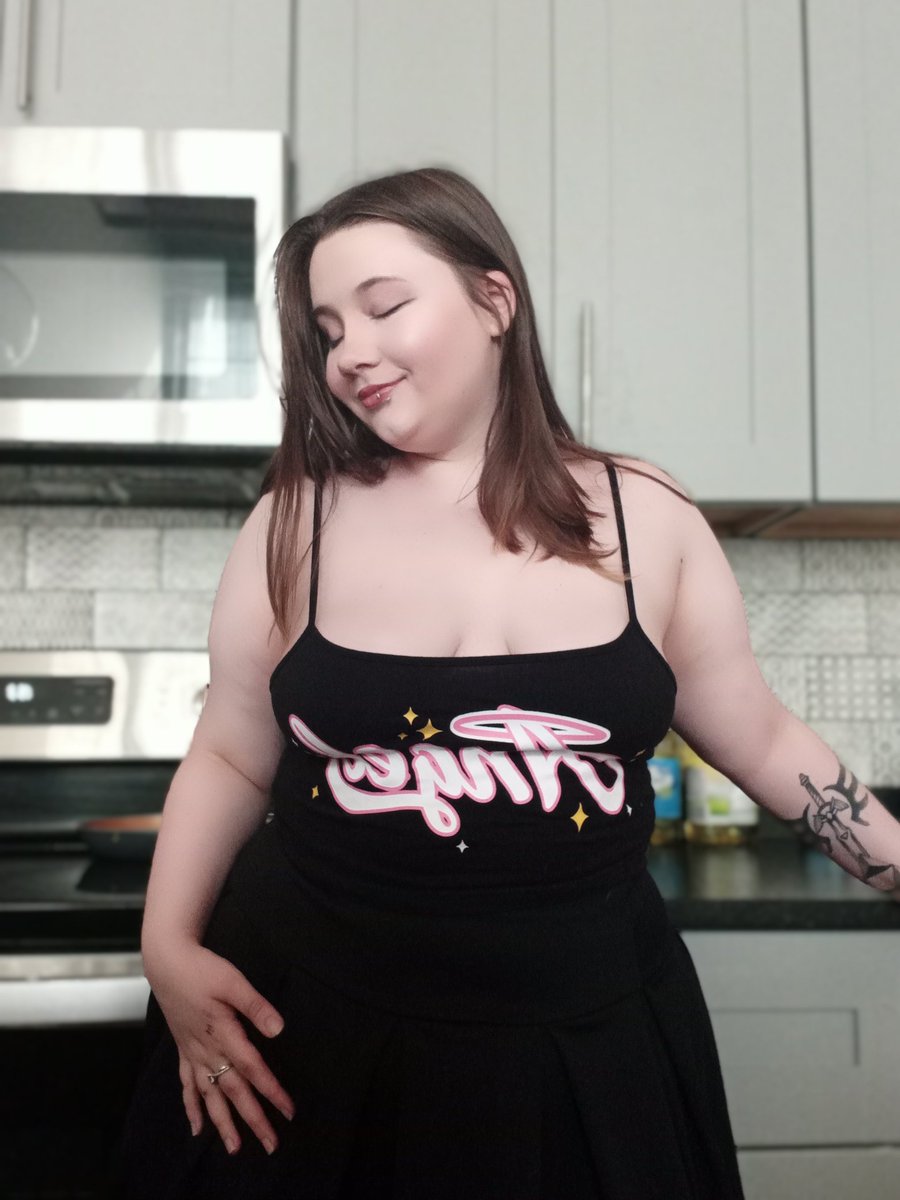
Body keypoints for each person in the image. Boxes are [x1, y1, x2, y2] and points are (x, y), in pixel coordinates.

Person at [119, 166, 900, 1200]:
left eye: (384, 306)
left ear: (496, 301)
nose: (349, 352)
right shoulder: (294, 521)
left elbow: (756, 733)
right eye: (327, 329)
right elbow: (228, 753)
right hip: (310, 1027)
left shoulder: (646, 515)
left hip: (587, 1036)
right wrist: (165, 946)